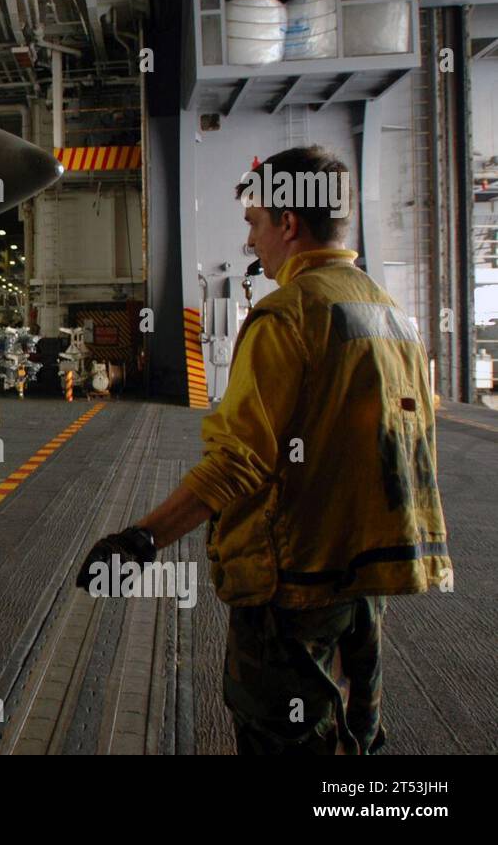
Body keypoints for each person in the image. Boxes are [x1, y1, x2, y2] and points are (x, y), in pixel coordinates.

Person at [74, 146, 452, 755]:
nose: (251, 240)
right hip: (362, 587)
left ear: (289, 223)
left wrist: (140, 540)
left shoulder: (288, 316)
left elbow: (238, 461)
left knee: (285, 738)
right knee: (356, 741)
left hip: (293, 589)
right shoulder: (392, 315)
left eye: (254, 222)